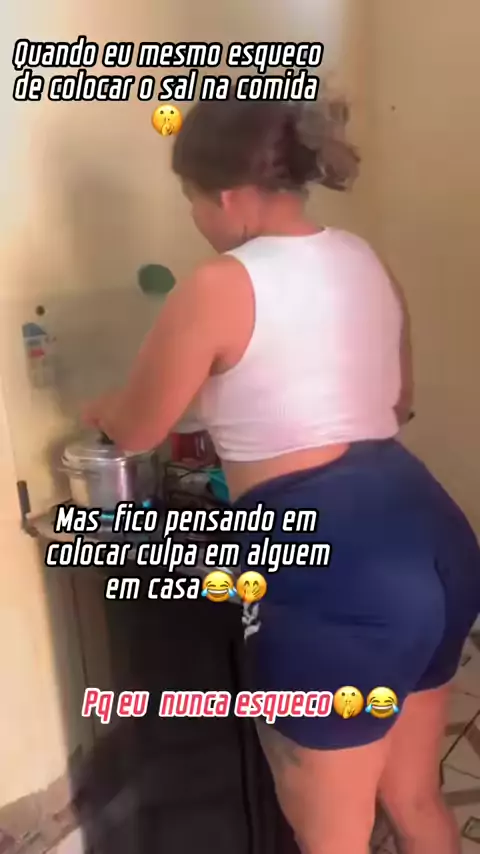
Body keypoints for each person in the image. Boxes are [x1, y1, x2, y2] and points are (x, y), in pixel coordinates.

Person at [83, 98, 480, 854]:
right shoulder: (363, 257)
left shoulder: (217, 284)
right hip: (431, 535)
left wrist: (103, 405)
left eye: (193, 200)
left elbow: (137, 429)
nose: (196, 218)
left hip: (337, 571)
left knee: (333, 835)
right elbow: (396, 402)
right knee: (414, 796)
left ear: (230, 196)